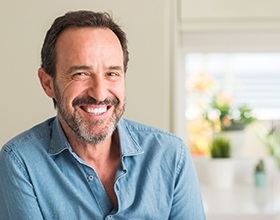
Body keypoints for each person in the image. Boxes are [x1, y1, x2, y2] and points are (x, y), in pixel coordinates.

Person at [0, 10, 205, 219]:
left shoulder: (171, 156)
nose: (99, 94)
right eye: (80, 74)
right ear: (47, 83)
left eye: (112, 74)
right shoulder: (20, 162)